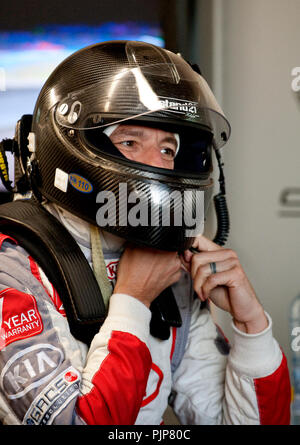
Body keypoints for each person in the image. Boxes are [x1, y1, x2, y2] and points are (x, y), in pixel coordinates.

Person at [0, 40, 291, 425]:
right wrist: (133, 300)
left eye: (168, 149)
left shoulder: (172, 271)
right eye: (131, 142)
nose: (158, 163)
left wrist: (252, 325)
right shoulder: (14, 271)